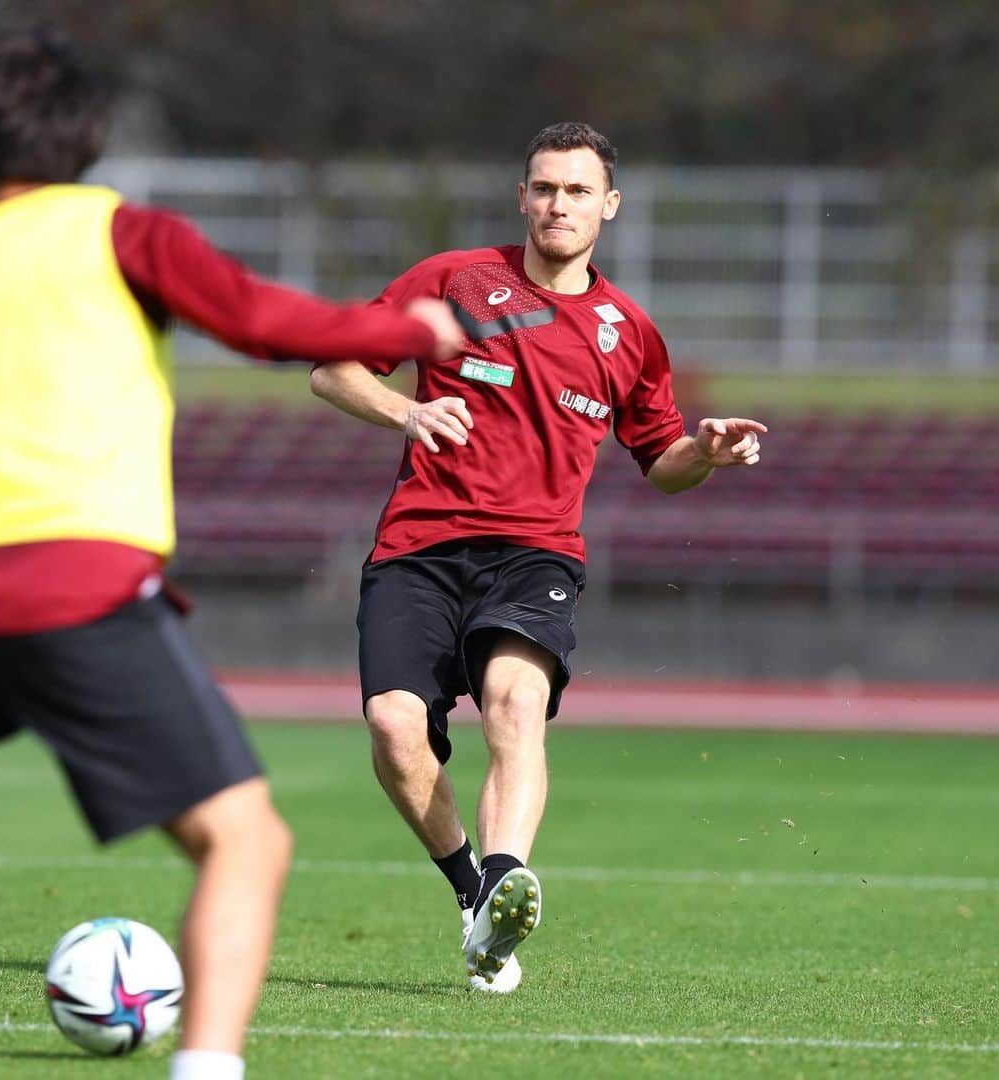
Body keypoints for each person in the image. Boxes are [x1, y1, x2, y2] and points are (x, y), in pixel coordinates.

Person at [0, 27, 462, 1080]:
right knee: (245, 844)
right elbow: (259, 321)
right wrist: (403, 326)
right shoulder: (120, 233)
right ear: (87, 138)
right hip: (74, 589)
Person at [310, 121, 766, 993]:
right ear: (523, 196)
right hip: (419, 547)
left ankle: (505, 874)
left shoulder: (627, 332)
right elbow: (334, 370)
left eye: (579, 191)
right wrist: (406, 412)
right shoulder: (452, 282)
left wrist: (704, 452)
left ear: (610, 207)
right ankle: (473, 893)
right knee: (395, 730)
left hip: (536, 554)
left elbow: (661, 462)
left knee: (515, 706)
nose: (560, 205)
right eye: (546, 188)